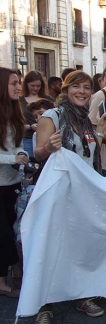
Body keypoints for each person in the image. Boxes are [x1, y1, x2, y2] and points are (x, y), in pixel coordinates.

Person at [34, 71, 104, 324]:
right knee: (51, 246)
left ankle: (81, 294)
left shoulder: (85, 120)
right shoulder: (51, 117)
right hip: (57, 194)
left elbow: (91, 156)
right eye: (77, 87)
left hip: (83, 195)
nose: (83, 92)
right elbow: (40, 154)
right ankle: (44, 305)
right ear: (65, 89)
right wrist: (49, 149)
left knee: (80, 244)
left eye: (87, 87)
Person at [0, 67, 26, 299]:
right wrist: (13, 158)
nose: (19, 86)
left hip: (13, 183)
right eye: (14, 83)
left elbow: (15, 145)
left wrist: (21, 156)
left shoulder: (14, 114)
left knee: (15, 230)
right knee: (3, 235)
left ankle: (17, 270)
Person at [19, 71, 54, 157]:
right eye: (32, 86)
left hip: (46, 137)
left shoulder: (48, 99)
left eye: (38, 86)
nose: (35, 88)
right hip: (27, 137)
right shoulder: (19, 100)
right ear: (26, 84)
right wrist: (30, 126)